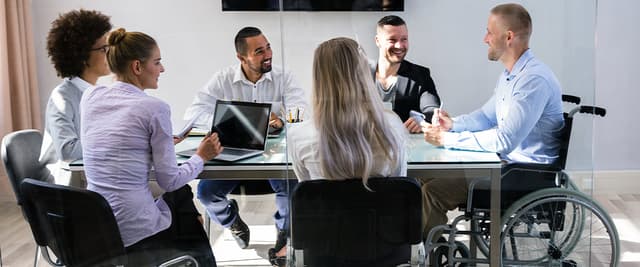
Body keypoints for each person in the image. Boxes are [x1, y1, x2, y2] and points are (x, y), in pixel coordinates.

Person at [421, 3, 564, 242]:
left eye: (489, 31)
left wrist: (447, 140)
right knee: (424, 176)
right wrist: (452, 124)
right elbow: (486, 116)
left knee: (433, 192)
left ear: (508, 37)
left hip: (521, 175)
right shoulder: (511, 75)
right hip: (506, 166)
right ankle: (424, 246)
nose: (484, 38)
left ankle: (433, 253)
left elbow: (505, 140)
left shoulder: (533, 80)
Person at [80, 28, 222, 266]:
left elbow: (116, 141)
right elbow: (170, 180)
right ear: (137, 67)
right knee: (181, 197)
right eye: (157, 62)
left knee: (181, 199)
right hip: (135, 231)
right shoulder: (154, 108)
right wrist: (202, 155)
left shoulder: (91, 97)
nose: (162, 69)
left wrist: (156, 144)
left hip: (99, 226)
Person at [183, 26, 305, 260]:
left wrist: (281, 121)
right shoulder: (223, 78)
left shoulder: (284, 76)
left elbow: (301, 112)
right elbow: (194, 112)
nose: (268, 54)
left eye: (268, 47)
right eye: (259, 51)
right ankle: (232, 221)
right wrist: (233, 121)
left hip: (273, 154)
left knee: (291, 189)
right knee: (206, 193)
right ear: (241, 57)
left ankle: (283, 232)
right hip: (234, 152)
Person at [287, 37, 409, 265]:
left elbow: (308, 190)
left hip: (325, 251)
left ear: (319, 78)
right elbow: (399, 184)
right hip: (384, 249)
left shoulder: (299, 136)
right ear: (364, 75)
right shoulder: (391, 128)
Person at [41, 9, 112, 186]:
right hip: (68, 187)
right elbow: (68, 150)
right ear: (81, 56)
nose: (110, 53)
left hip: (91, 177)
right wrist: (116, 141)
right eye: (104, 49)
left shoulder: (98, 92)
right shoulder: (62, 97)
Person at [373, 15, 441, 133]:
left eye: (404, 39)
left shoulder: (421, 75)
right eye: (392, 40)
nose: (399, 45)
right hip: (366, 146)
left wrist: (421, 120)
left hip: (408, 146)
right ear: (378, 41)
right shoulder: (360, 75)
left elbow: (432, 110)